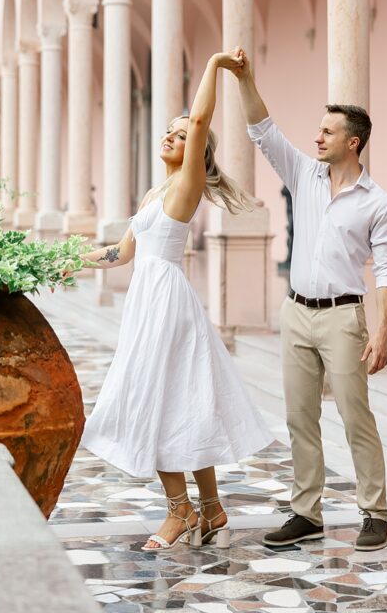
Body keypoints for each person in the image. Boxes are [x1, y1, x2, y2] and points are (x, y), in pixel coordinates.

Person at [78, 51, 273, 552]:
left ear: (197, 151)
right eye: (170, 129)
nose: (171, 135)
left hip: (167, 302)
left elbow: (204, 116)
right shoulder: (151, 194)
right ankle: (211, 508)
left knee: (157, 397)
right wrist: (73, 260)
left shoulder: (186, 187)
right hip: (148, 300)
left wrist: (211, 64)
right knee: (186, 399)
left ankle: (179, 510)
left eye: (183, 135)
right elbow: (123, 253)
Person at [227, 48, 387, 552]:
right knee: (299, 416)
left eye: (327, 131)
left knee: (354, 416)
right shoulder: (303, 175)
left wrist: (384, 331)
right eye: (317, 130)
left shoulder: (378, 203)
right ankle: (307, 511)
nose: (317, 136)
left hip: (344, 317)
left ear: (353, 141)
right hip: (296, 312)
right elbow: (262, 129)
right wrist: (245, 78)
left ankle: (375, 512)